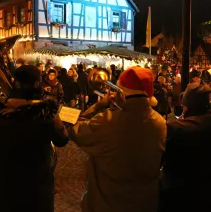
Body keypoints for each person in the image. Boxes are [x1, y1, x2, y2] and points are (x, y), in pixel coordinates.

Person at [70, 67, 166, 212]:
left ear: (122, 93)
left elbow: (76, 129)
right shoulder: (160, 123)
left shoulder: (106, 120)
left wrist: (98, 106)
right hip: (145, 203)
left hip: (107, 203)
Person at [0, 65, 69, 212]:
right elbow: (62, 140)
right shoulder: (46, 116)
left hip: (3, 189)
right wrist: (53, 112)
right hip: (36, 191)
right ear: (38, 85)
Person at [159, 82, 211, 212]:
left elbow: (162, 158)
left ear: (186, 106)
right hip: (209, 194)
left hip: (178, 195)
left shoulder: (176, 128)